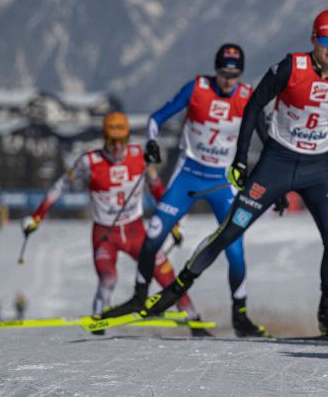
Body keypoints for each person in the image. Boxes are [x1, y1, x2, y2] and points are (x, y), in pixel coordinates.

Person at [114, 8, 328, 337]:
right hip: (276, 163)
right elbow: (254, 105)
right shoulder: (292, 67)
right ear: (314, 39)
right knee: (229, 232)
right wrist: (240, 160)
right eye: (325, 40)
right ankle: (174, 291)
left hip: (317, 169)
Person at [98, 44, 275, 338]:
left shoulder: (247, 97)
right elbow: (156, 118)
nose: (228, 80)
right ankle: (139, 296)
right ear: (216, 70)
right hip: (188, 176)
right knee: (154, 235)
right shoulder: (197, 88)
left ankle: (240, 315)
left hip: (222, 182)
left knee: (235, 251)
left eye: (234, 75)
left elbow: (267, 139)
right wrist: (151, 143)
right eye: (223, 73)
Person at [22, 112, 207, 334]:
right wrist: (37, 217)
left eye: (122, 141)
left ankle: (195, 321)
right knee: (108, 278)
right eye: (111, 141)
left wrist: (173, 223)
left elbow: (158, 190)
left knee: (166, 274)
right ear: (104, 138)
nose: (117, 147)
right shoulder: (89, 162)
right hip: (105, 234)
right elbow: (60, 187)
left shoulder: (140, 156)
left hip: (136, 231)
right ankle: (98, 323)